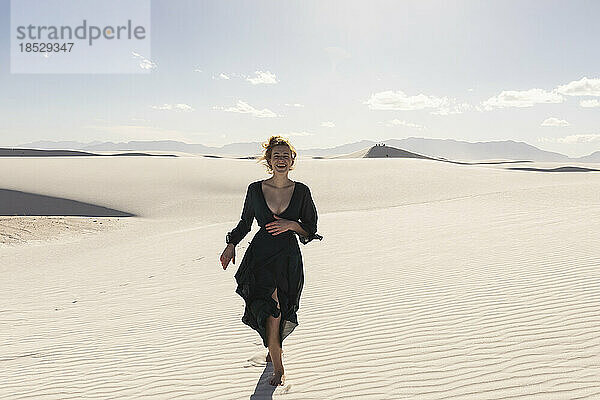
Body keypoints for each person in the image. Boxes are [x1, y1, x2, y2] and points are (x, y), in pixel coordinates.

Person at [220, 135, 323, 386]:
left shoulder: (301, 192)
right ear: (269, 160)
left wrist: (292, 224)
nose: (281, 160)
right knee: (272, 311)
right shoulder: (255, 189)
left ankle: (273, 347)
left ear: (292, 160)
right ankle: (279, 368)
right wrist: (231, 244)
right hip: (260, 258)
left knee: (284, 308)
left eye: (286, 156)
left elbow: (310, 229)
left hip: (288, 260)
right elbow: (245, 223)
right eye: (276, 155)